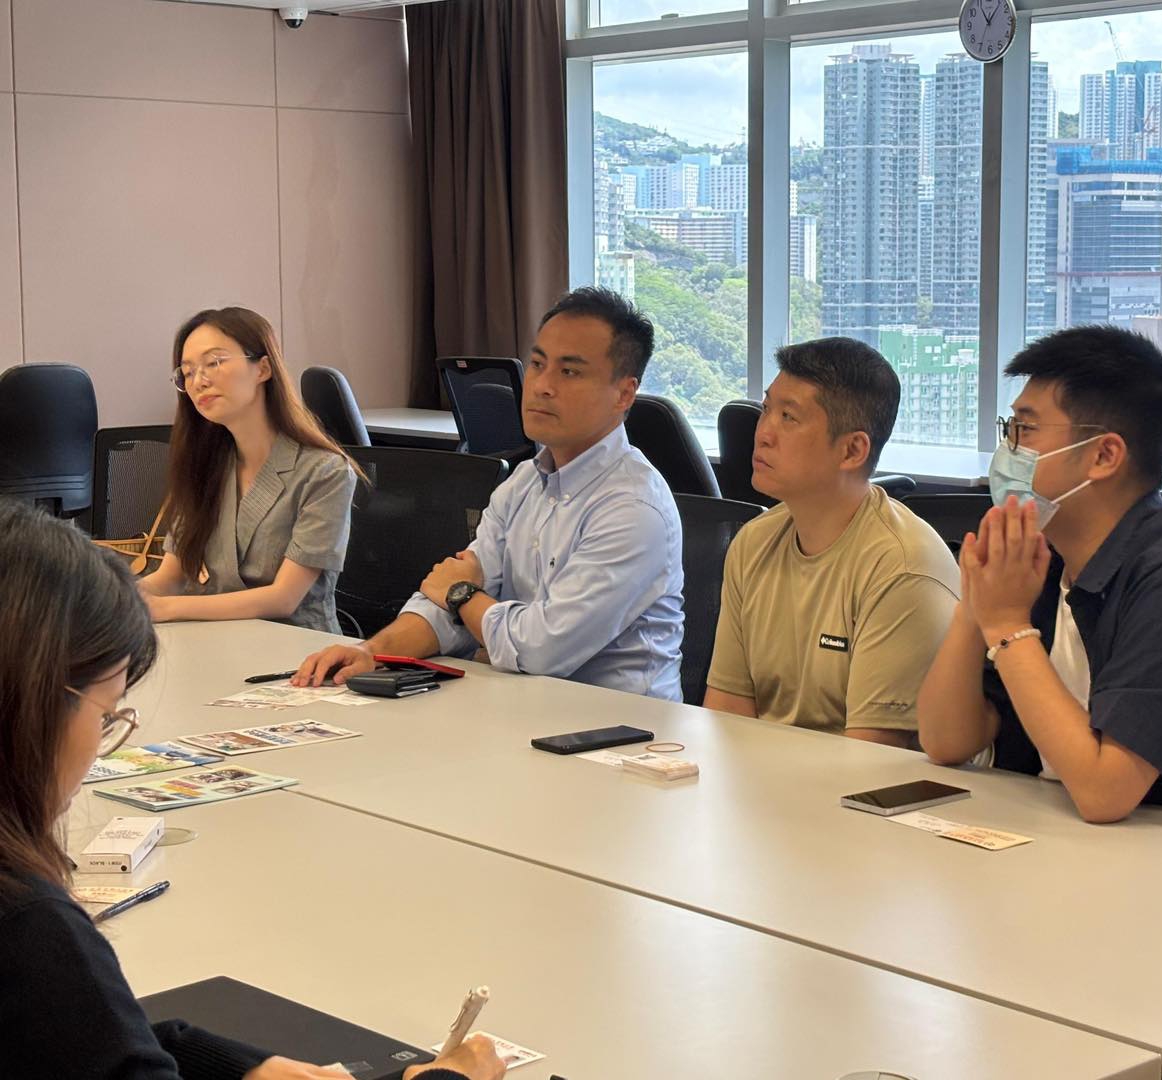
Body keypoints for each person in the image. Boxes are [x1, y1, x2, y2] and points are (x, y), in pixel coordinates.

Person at [0, 499, 504, 1079]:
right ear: (38, 705)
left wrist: (241, 1067)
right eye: (107, 715)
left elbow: (76, 1039)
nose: (99, 748)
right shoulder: (29, 928)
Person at [917, 325, 1162, 828]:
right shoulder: (1042, 557)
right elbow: (946, 741)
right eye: (1009, 428)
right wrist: (977, 606)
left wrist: (1008, 626)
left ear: (1104, 456)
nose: (1008, 449)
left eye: (1025, 430)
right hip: (1080, 837)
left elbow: (1105, 793)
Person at [294, 287, 684, 700]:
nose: (542, 386)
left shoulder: (633, 509)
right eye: (537, 364)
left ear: (624, 393)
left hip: (620, 724)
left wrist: (463, 595)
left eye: (569, 372)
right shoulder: (523, 482)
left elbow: (540, 648)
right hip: (524, 705)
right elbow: (446, 606)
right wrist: (372, 652)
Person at [703, 337, 961, 747]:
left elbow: (873, 758)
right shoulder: (753, 541)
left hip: (868, 782)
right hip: (769, 776)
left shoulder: (902, 567)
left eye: (789, 417)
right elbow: (726, 714)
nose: (763, 432)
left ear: (852, 450)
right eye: (767, 408)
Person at [139, 307, 360, 634]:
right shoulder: (203, 464)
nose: (199, 381)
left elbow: (283, 598)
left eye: (214, 362)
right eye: (187, 372)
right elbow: (170, 577)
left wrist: (166, 608)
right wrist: (118, 597)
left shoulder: (325, 471)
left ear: (263, 369)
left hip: (296, 647)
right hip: (213, 639)